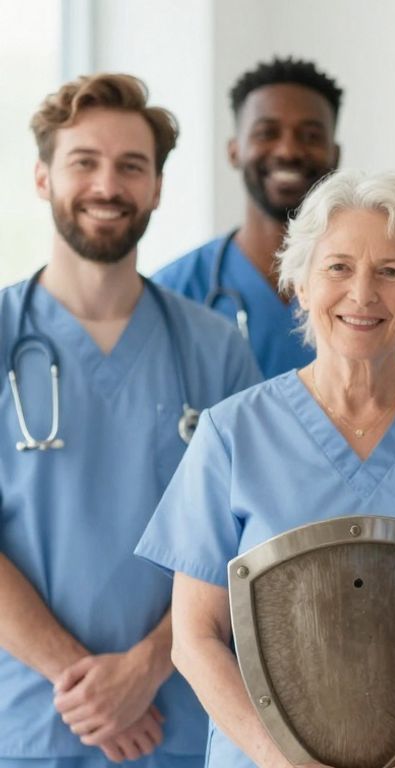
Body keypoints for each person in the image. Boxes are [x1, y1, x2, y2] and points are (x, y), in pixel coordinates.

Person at [135, 171, 395, 768]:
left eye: (390, 271)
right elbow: (195, 638)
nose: (362, 294)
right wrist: (277, 759)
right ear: (301, 285)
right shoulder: (232, 434)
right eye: (338, 267)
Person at [0, 74, 260, 768]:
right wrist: (83, 684)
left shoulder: (216, 353)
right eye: (83, 161)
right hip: (34, 726)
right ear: (42, 177)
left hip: (180, 724)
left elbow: (249, 546)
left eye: (131, 166)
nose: (107, 185)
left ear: (156, 187)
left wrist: (144, 670)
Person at [154, 57, 343, 377]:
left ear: (334, 155)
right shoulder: (174, 293)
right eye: (267, 133)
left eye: (310, 136)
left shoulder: (366, 290)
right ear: (234, 150)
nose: (288, 151)